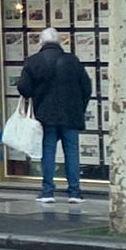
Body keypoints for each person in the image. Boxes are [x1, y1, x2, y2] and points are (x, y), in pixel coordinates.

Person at [17, 26, 92, 205]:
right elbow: (87, 87)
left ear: (41, 42)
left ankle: (48, 190)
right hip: (71, 114)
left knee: (48, 151)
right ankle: (75, 191)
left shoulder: (33, 61)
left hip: (46, 114)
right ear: (59, 42)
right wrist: (80, 107)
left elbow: (24, 88)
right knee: (72, 151)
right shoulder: (73, 60)